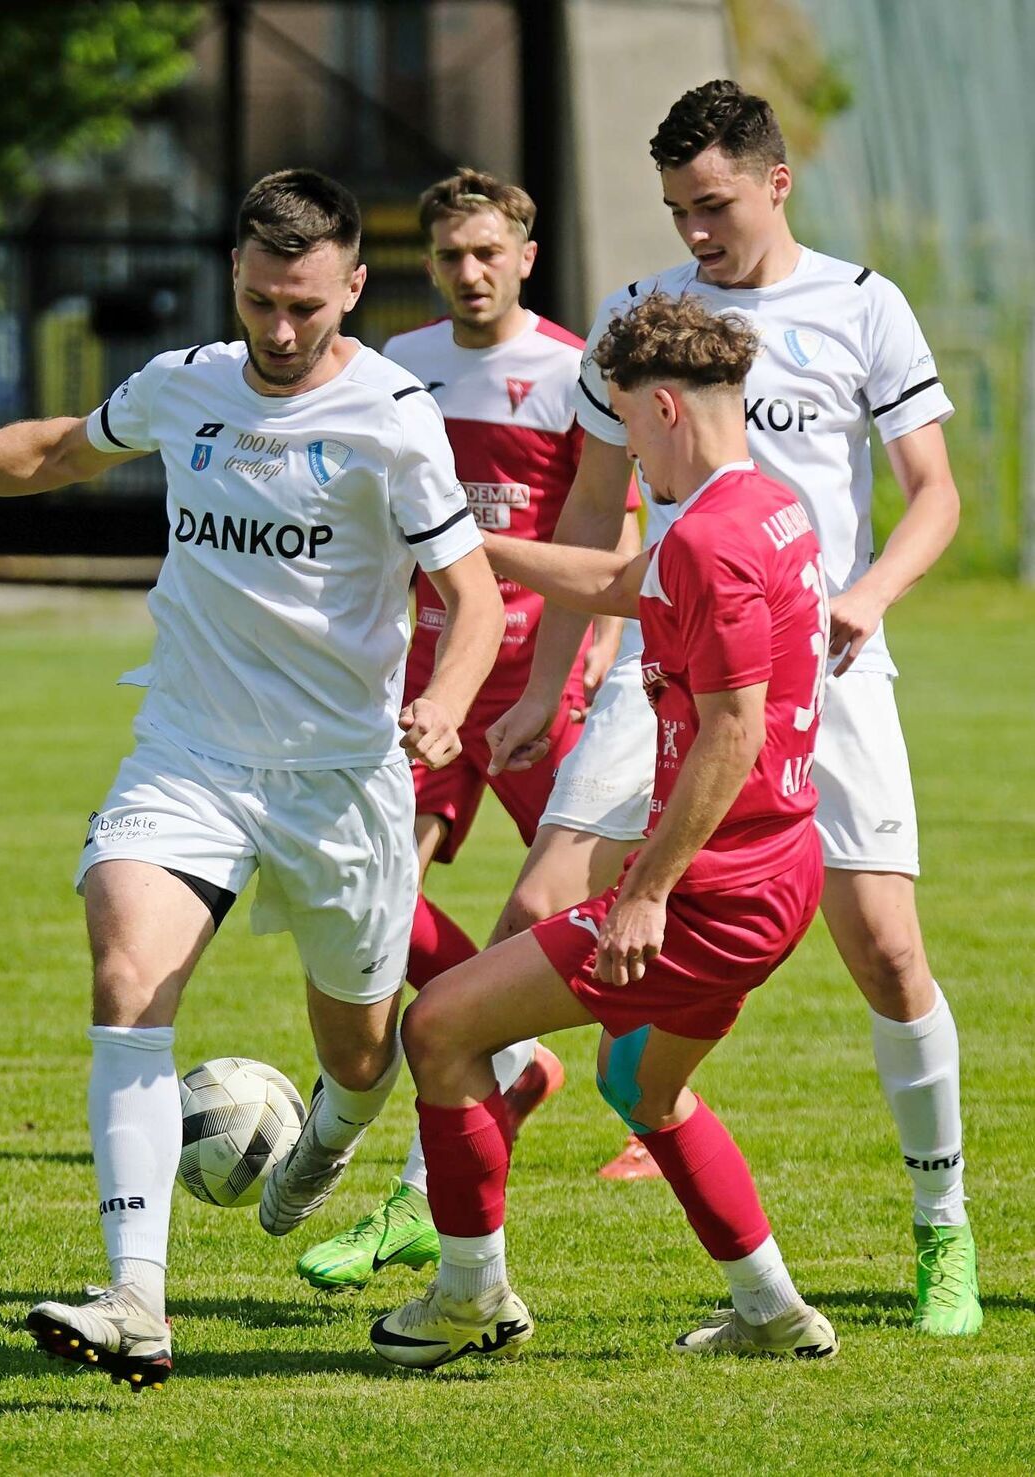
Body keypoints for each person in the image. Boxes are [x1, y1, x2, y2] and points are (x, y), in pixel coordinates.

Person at [0, 169, 506, 1389]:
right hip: (189, 751)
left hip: (341, 778)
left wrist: (444, 701)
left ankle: (327, 1142)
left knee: (358, 1047)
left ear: (350, 287)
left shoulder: (395, 417)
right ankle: (136, 1296)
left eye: (305, 307)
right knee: (126, 967)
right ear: (231, 280)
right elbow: (58, 450)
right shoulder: (185, 383)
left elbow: (479, 597)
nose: (280, 334)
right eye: (257, 304)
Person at [490, 80, 982, 1336]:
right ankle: (438, 1203)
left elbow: (934, 493)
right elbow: (596, 515)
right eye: (676, 210)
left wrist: (866, 595)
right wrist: (550, 679)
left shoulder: (862, 304)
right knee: (534, 909)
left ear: (776, 182)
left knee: (885, 952)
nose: (696, 232)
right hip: (671, 667)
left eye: (713, 205)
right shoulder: (644, 319)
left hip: (825, 673)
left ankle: (942, 1231)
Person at [370, 292, 838, 1369]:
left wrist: (646, 890)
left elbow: (730, 732)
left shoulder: (716, 538)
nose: (624, 451)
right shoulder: (763, 505)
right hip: (781, 869)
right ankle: (772, 1313)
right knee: (645, 1087)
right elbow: (629, 582)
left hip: (712, 892)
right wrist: (469, 548)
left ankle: (467, 1297)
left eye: (625, 425)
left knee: (440, 1028)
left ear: (664, 407)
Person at [295, 168, 641, 1294]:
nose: (470, 272)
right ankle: (505, 1062)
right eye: (450, 255)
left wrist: (573, 673)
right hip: (435, 679)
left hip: (542, 686)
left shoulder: (572, 367)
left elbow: (606, 533)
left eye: (489, 252)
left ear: (526, 256)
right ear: (428, 262)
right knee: (375, 890)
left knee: (599, 907)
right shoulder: (397, 368)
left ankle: (645, 1099)